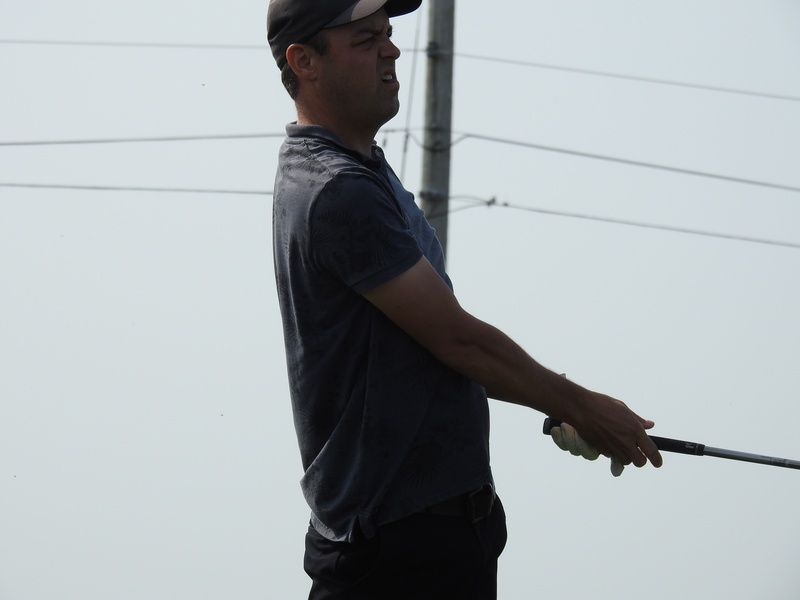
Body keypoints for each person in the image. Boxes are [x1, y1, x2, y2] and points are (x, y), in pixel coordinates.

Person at [267, 1, 663, 598]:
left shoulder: (360, 170)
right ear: (304, 61)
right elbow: (457, 340)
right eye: (365, 39)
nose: (391, 50)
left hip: (436, 536)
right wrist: (582, 406)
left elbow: (431, 351)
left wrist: (556, 403)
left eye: (388, 33)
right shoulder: (338, 190)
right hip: (395, 552)